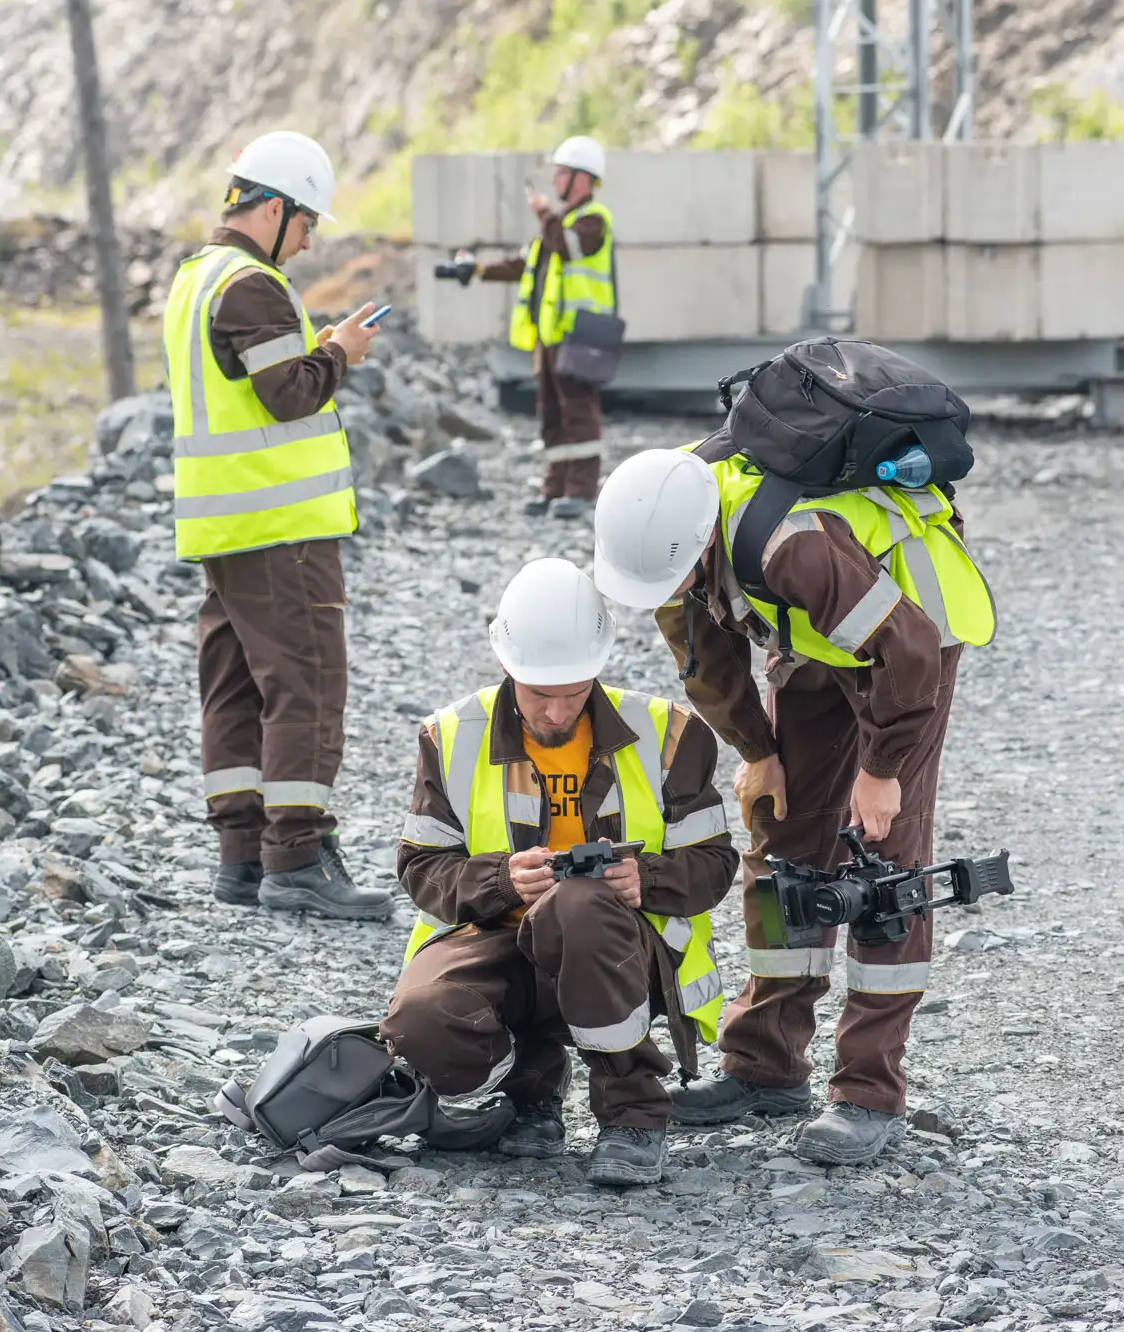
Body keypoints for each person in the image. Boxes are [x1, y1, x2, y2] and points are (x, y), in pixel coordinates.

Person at [592, 446, 991, 1167]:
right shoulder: (662, 522)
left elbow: (908, 653)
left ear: (705, 541)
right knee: (782, 839)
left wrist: (881, 768)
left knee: (884, 869)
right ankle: (765, 1066)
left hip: (910, 643)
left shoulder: (793, 548)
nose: (665, 590)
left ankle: (869, 1093)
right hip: (813, 642)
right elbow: (703, 657)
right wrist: (757, 750)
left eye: (673, 578)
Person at [381, 558, 736, 1187]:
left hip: (623, 949)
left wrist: (645, 881)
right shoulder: (449, 735)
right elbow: (420, 866)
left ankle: (633, 1113)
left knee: (579, 904)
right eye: (539, 693)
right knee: (419, 1027)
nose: (555, 711)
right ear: (507, 668)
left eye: (573, 692)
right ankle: (531, 1090)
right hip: (495, 934)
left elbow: (714, 862)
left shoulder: (670, 734)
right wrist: (501, 881)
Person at [163, 129, 392, 920]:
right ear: (273, 206)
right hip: (280, 528)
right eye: (306, 223)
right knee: (307, 682)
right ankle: (295, 858)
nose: (307, 239)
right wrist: (340, 351)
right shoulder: (252, 285)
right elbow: (290, 393)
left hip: (223, 530)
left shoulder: (196, 279)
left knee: (231, 690)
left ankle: (243, 859)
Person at [453, 136, 615, 521]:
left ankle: (581, 490)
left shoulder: (593, 221)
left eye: (560, 172)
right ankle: (555, 486)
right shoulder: (558, 226)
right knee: (553, 414)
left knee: (579, 411)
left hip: (580, 334)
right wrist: (477, 269)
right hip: (552, 337)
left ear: (581, 178)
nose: (554, 180)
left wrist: (545, 214)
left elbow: (567, 247)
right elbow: (521, 264)